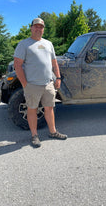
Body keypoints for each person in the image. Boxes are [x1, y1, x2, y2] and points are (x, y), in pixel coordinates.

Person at [14, 18, 67, 147]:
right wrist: (25, 84)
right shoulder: (24, 44)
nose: (38, 29)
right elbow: (17, 65)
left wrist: (58, 78)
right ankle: (34, 135)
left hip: (48, 83)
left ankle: (53, 132)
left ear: (43, 29)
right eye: (36, 26)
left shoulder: (48, 44)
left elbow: (54, 63)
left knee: (49, 108)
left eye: (41, 27)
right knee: (32, 109)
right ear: (31, 28)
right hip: (32, 85)